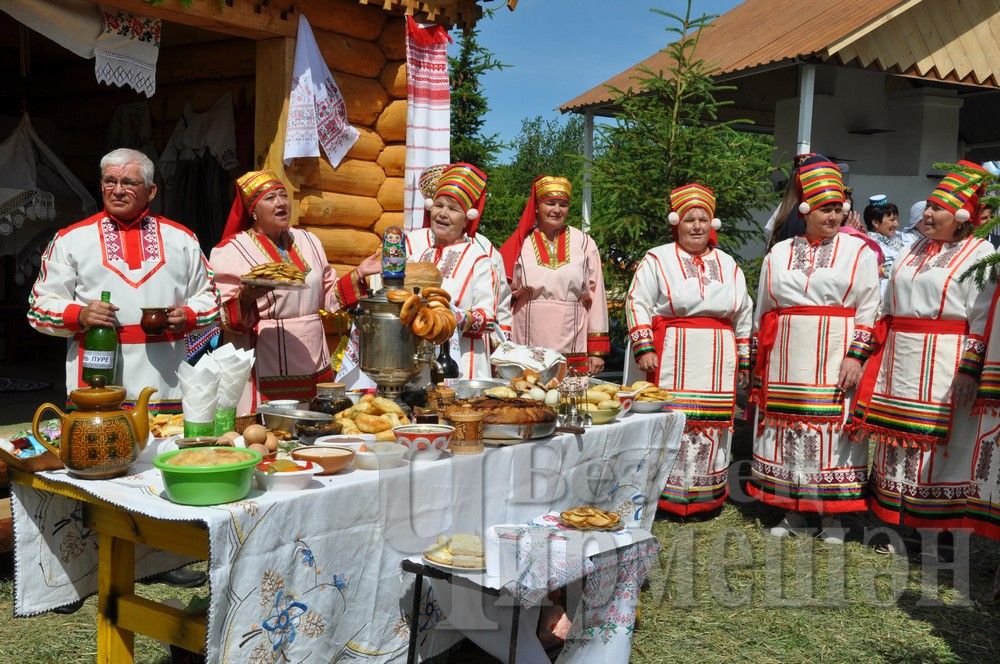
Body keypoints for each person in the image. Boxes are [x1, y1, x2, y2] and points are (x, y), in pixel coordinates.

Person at [851, 161, 996, 564]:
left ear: (963, 216)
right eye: (928, 206)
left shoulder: (980, 254)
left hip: (945, 363)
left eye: (938, 209)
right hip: (901, 357)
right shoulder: (914, 248)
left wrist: (970, 367)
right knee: (900, 441)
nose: (927, 214)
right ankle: (906, 522)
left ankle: (942, 532)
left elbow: (982, 317)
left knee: (941, 444)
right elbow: (886, 301)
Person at [748, 154, 880, 542]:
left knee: (832, 433)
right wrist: (762, 358)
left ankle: (832, 517)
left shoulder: (859, 252)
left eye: (839, 209)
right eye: (826, 209)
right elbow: (764, 308)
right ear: (805, 210)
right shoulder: (780, 252)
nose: (835, 217)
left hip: (835, 353)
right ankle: (793, 510)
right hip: (788, 357)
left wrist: (856, 357)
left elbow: (869, 307)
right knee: (788, 428)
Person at [27, 148, 220, 412]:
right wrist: (80, 315)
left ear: (151, 191)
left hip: (167, 383)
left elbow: (210, 299)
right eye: (110, 181)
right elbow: (39, 308)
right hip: (96, 382)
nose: (117, 190)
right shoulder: (71, 240)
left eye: (128, 182)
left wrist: (188, 316)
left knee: (165, 450)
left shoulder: (182, 240)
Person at [624, 184, 753, 517]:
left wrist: (744, 357)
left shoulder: (727, 263)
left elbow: (744, 311)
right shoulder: (658, 258)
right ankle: (665, 496)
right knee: (674, 422)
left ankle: (705, 497)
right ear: (676, 224)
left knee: (711, 426)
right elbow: (637, 300)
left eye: (703, 219)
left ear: (713, 224)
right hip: (672, 353)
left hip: (716, 357)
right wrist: (644, 345)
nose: (697, 226)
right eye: (689, 219)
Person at [209, 170, 380, 413]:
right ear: (253, 211)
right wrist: (246, 297)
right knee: (272, 427)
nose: (280, 203)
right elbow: (223, 316)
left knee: (314, 420)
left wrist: (360, 273)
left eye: (283, 195)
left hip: (312, 352)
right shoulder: (230, 250)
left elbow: (329, 296)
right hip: (264, 353)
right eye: (269, 199)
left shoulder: (308, 240)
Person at [499, 176, 609, 374]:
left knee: (569, 395)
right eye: (550, 203)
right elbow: (503, 295)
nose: (557, 210)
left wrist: (597, 350)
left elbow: (597, 295)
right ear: (537, 207)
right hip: (527, 334)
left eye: (563, 204)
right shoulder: (519, 244)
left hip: (572, 335)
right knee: (529, 394)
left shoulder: (584, 243)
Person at [410, 163, 501, 379]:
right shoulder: (419, 256)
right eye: (439, 205)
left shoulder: (480, 260)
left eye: (453, 209)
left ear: (466, 218)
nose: (442, 213)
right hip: (421, 361)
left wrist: (453, 317)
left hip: (465, 365)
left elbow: (489, 318)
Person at [862, 194, 918, 296]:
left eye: (896, 219)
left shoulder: (906, 238)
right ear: (875, 222)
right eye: (892, 220)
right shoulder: (866, 244)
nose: (897, 224)